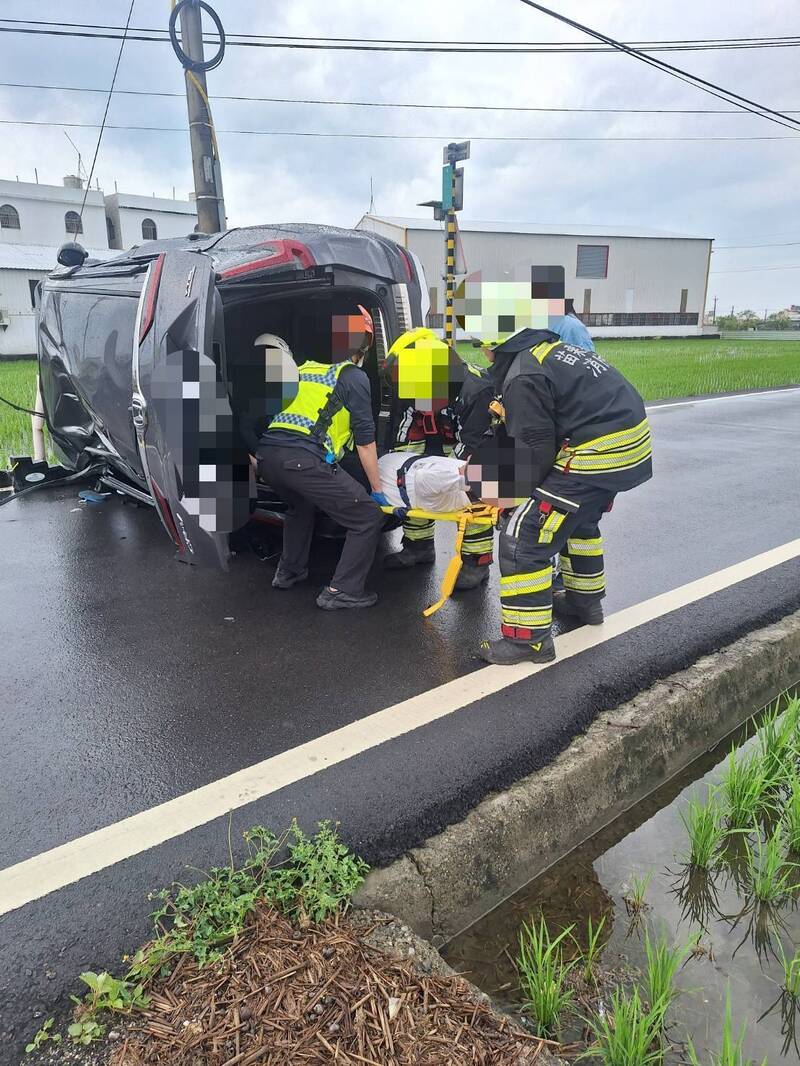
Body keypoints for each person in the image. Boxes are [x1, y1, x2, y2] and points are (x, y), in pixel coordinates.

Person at [471, 327, 652, 665]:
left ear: (495, 345)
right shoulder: (550, 352)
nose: (483, 355)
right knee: (577, 521)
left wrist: (508, 496)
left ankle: (529, 641)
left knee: (524, 535)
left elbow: (534, 451)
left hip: (595, 454)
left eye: (482, 347)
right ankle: (585, 602)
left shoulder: (523, 376)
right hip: (628, 448)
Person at [257, 306, 387, 610]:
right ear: (365, 345)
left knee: (299, 506)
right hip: (302, 460)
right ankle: (342, 591)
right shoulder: (352, 377)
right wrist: (377, 491)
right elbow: (366, 443)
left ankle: (289, 572)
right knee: (367, 516)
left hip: (269, 456)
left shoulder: (303, 369)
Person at [381, 328, 495, 590]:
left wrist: (442, 479)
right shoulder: (412, 382)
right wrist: (402, 470)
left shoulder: (477, 390)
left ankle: (476, 563)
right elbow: (405, 432)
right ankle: (418, 547)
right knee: (410, 481)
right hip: (436, 442)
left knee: (471, 492)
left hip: (472, 449)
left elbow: (473, 445)